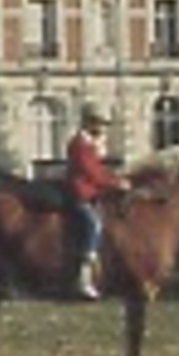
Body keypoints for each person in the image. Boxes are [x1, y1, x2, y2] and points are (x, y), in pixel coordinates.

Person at [64, 103, 129, 299]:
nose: (102, 129)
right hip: (80, 193)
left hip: (92, 191)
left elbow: (98, 169)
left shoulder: (88, 143)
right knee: (94, 224)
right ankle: (83, 280)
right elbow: (90, 172)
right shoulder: (79, 144)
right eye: (100, 124)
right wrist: (115, 183)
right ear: (89, 122)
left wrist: (116, 178)